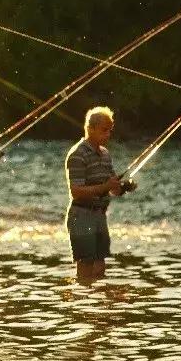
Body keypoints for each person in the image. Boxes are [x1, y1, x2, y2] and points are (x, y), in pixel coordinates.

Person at [65, 106, 136, 285]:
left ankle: (96, 300)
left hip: (99, 216)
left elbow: (113, 189)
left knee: (100, 268)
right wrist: (106, 186)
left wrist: (124, 187)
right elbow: (76, 191)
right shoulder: (77, 154)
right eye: (104, 130)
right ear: (90, 129)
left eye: (110, 130)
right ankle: (82, 298)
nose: (108, 135)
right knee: (85, 266)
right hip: (81, 215)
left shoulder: (105, 154)